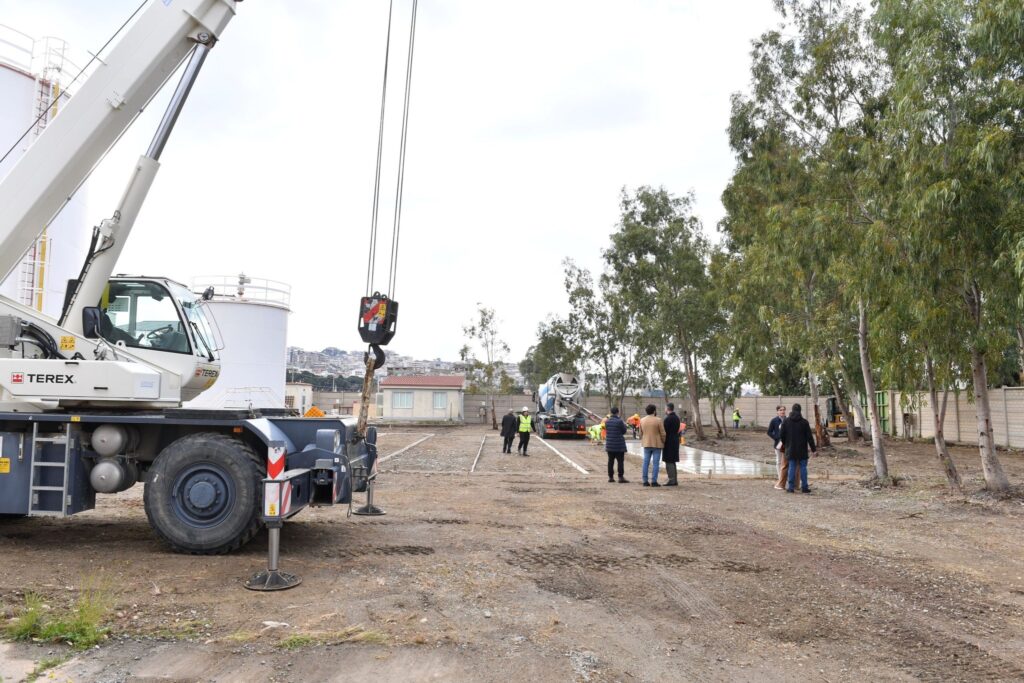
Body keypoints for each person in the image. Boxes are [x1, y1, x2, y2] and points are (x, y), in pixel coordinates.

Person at [779, 403, 816, 493]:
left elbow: (781, 435)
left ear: (792, 410)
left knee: (792, 466)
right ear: (800, 411)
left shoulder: (786, 421)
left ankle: (791, 488)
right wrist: (813, 449)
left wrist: (786, 444)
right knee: (803, 467)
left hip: (790, 448)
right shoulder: (804, 422)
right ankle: (805, 487)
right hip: (802, 449)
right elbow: (809, 437)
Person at [638, 404, 666, 487]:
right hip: (657, 444)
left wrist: (643, 439)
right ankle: (654, 481)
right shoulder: (658, 420)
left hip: (646, 443)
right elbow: (663, 433)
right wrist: (663, 441)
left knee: (645, 462)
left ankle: (645, 481)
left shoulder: (642, 420)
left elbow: (640, 433)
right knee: (656, 463)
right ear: (654, 411)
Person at [604, 407, 629, 483]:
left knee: (610, 461)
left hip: (610, 445)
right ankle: (620, 477)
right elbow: (624, 431)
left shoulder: (607, 422)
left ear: (611, 412)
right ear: (617, 412)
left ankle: (610, 477)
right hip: (619, 446)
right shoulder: (620, 421)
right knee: (620, 461)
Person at [767, 405, 787, 489]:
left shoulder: (788, 420)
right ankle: (780, 478)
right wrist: (776, 437)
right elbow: (769, 432)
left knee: (786, 462)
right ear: (777, 411)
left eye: (783, 410)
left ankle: (786, 478)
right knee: (779, 461)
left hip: (787, 444)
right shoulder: (774, 420)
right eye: (780, 410)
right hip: (778, 444)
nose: (782, 411)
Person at [662, 402, 681, 486]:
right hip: (675, 440)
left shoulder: (668, 419)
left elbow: (664, 431)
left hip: (669, 441)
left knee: (669, 460)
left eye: (665, 408)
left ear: (667, 408)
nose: (664, 410)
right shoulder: (677, 418)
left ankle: (672, 480)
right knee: (672, 461)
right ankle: (674, 479)